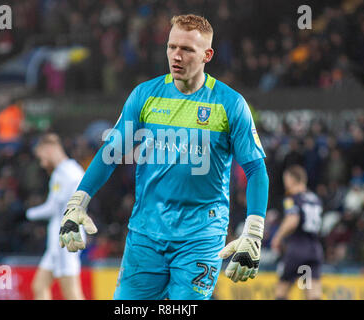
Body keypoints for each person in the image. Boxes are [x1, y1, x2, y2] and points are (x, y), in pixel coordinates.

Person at [59, 14, 269, 300]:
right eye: (172, 47)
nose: (176, 56)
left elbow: (256, 170)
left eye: (187, 49)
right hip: (145, 234)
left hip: (201, 236)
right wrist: (78, 201)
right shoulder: (144, 96)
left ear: (207, 55)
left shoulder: (230, 104)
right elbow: (111, 154)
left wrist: (254, 232)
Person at [26, 133, 86, 300]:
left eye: (41, 157)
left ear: (49, 150)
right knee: (39, 286)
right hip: (58, 240)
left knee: (72, 293)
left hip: (67, 239)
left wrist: (29, 213)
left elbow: (52, 208)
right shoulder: (71, 170)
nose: (42, 163)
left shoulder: (65, 173)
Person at [271, 165, 324, 300]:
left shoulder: (291, 198)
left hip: (297, 248)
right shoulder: (315, 199)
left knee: (281, 289)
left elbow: (292, 220)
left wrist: (277, 237)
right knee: (313, 293)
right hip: (314, 248)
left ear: (291, 179)